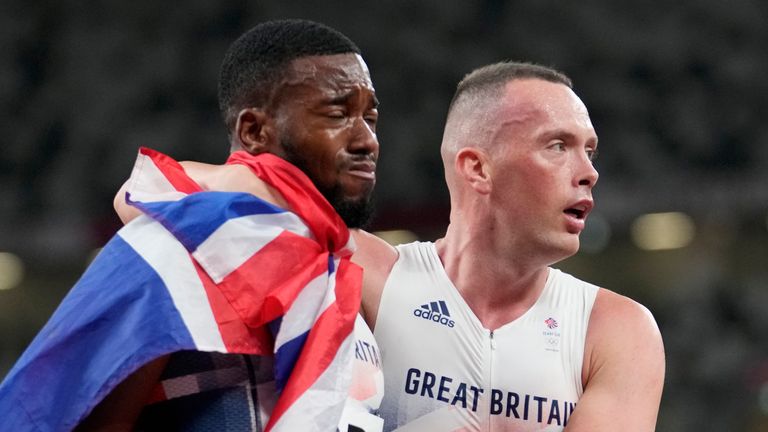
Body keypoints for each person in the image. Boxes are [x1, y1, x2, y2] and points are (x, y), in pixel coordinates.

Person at [0, 19, 383, 432]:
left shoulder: (333, 280)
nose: (367, 141)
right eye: (338, 114)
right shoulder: (166, 258)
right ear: (254, 130)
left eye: (371, 117)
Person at [357, 62, 666, 431]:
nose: (589, 172)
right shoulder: (367, 276)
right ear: (477, 169)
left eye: (590, 151)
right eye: (558, 145)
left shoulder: (616, 331)